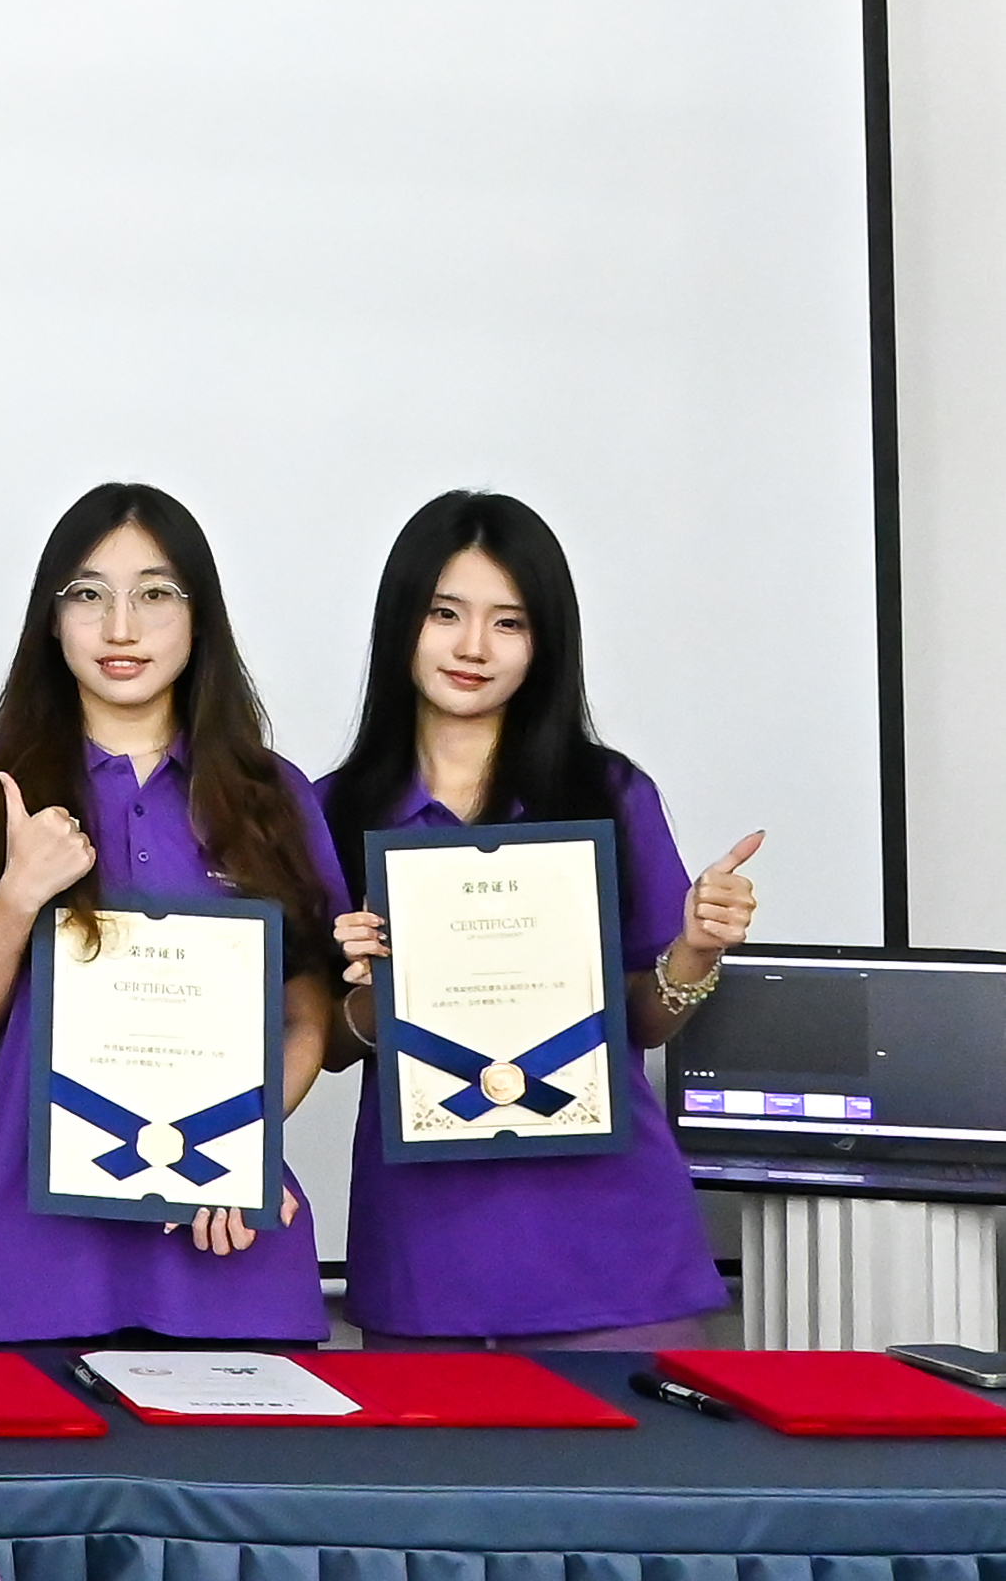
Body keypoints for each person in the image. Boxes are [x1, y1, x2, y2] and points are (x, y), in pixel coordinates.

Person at [0, 482, 345, 1344]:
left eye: (155, 593)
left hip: (228, 1242)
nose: (120, 627)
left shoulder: (272, 795)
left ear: (199, 617)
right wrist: (19, 892)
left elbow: (307, 1017)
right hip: (47, 1261)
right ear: (50, 618)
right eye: (87, 595)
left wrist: (240, 1147)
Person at [316, 491, 749, 1347]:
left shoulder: (607, 793)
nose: (472, 647)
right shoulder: (332, 810)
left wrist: (694, 948)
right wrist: (371, 992)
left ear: (543, 641)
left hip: (610, 1243)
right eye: (444, 613)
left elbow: (643, 1022)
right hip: (424, 1252)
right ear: (401, 621)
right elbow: (328, 1045)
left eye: (507, 622)